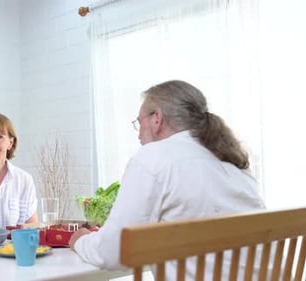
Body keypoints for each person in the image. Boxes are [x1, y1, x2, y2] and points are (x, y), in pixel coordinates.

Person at [69, 80, 265, 278]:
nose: (138, 135)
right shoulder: (234, 164)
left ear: (157, 119)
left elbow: (113, 252)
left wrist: (80, 240)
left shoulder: (153, 157)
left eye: (139, 122)